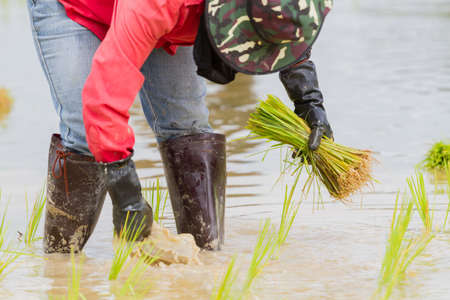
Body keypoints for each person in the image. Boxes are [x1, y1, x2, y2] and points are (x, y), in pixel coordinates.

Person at [27, 0, 333, 253]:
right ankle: (60, 266)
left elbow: (280, 21)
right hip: (76, 9)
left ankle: (206, 258)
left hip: (161, 19)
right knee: (84, 131)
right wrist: (127, 195)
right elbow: (103, 100)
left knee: (187, 126)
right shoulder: (153, 6)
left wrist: (308, 99)